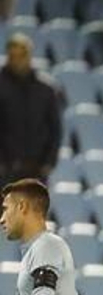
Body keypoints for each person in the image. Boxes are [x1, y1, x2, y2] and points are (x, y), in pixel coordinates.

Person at [0, 33, 61, 183]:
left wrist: (49, 162)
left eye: (22, 54)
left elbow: (55, 129)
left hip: (36, 169)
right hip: (5, 168)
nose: (17, 59)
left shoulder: (45, 88)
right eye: (13, 55)